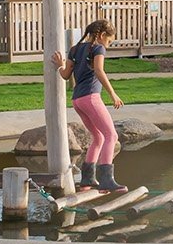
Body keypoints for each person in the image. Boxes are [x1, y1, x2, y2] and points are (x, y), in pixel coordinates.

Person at [52, 20, 127, 194]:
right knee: (111, 135)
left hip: (77, 101)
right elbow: (99, 71)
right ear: (101, 36)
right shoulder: (98, 48)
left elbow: (65, 75)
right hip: (91, 98)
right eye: (109, 41)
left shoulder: (75, 49)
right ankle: (106, 180)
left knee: (98, 137)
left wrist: (59, 65)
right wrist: (113, 94)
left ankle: (87, 179)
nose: (108, 45)